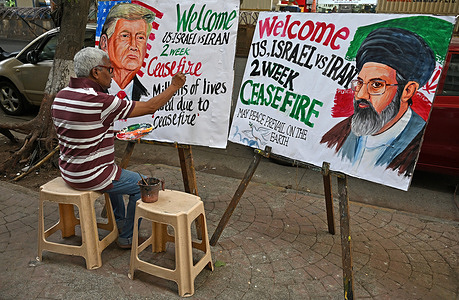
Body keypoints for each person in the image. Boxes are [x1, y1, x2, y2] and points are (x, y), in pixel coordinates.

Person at [52, 47, 186, 248]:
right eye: (109, 69)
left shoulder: (62, 95)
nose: (112, 75)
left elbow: (78, 130)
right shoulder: (100, 101)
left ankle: (120, 222)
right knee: (144, 185)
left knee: (115, 172)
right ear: (96, 72)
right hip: (90, 175)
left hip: (68, 171)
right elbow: (150, 107)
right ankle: (128, 237)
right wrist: (174, 86)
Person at [320, 27, 436, 176]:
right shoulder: (339, 133)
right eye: (360, 83)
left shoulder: (416, 144)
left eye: (376, 85)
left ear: (407, 91)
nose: (361, 94)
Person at [99, 3, 154, 101]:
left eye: (140, 37)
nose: (133, 46)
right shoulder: (92, 93)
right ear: (104, 43)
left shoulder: (148, 96)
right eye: (125, 36)